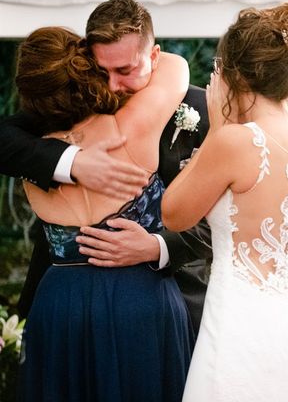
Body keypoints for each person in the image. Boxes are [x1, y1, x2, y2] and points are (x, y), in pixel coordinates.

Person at [0, 0, 211, 332]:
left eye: (125, 71)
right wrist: (71, 162)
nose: (112, 85)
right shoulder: (73, 102)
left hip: (172, 303)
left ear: (153, 56)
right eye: (102, 71)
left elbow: (226, 222)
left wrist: (157, 246)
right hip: (67, 304)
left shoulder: (202, 109)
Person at [161, 1, 288, 401]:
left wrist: (218, 129)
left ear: (231, 74)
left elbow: (173, 214)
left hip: (243, 324)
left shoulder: (233, 141)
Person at [15, 26, 193, 401]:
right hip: (139, 299)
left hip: (60, 303)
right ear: (87, 71)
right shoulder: (134, 125)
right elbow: (174, 66)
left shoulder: (31, 157)